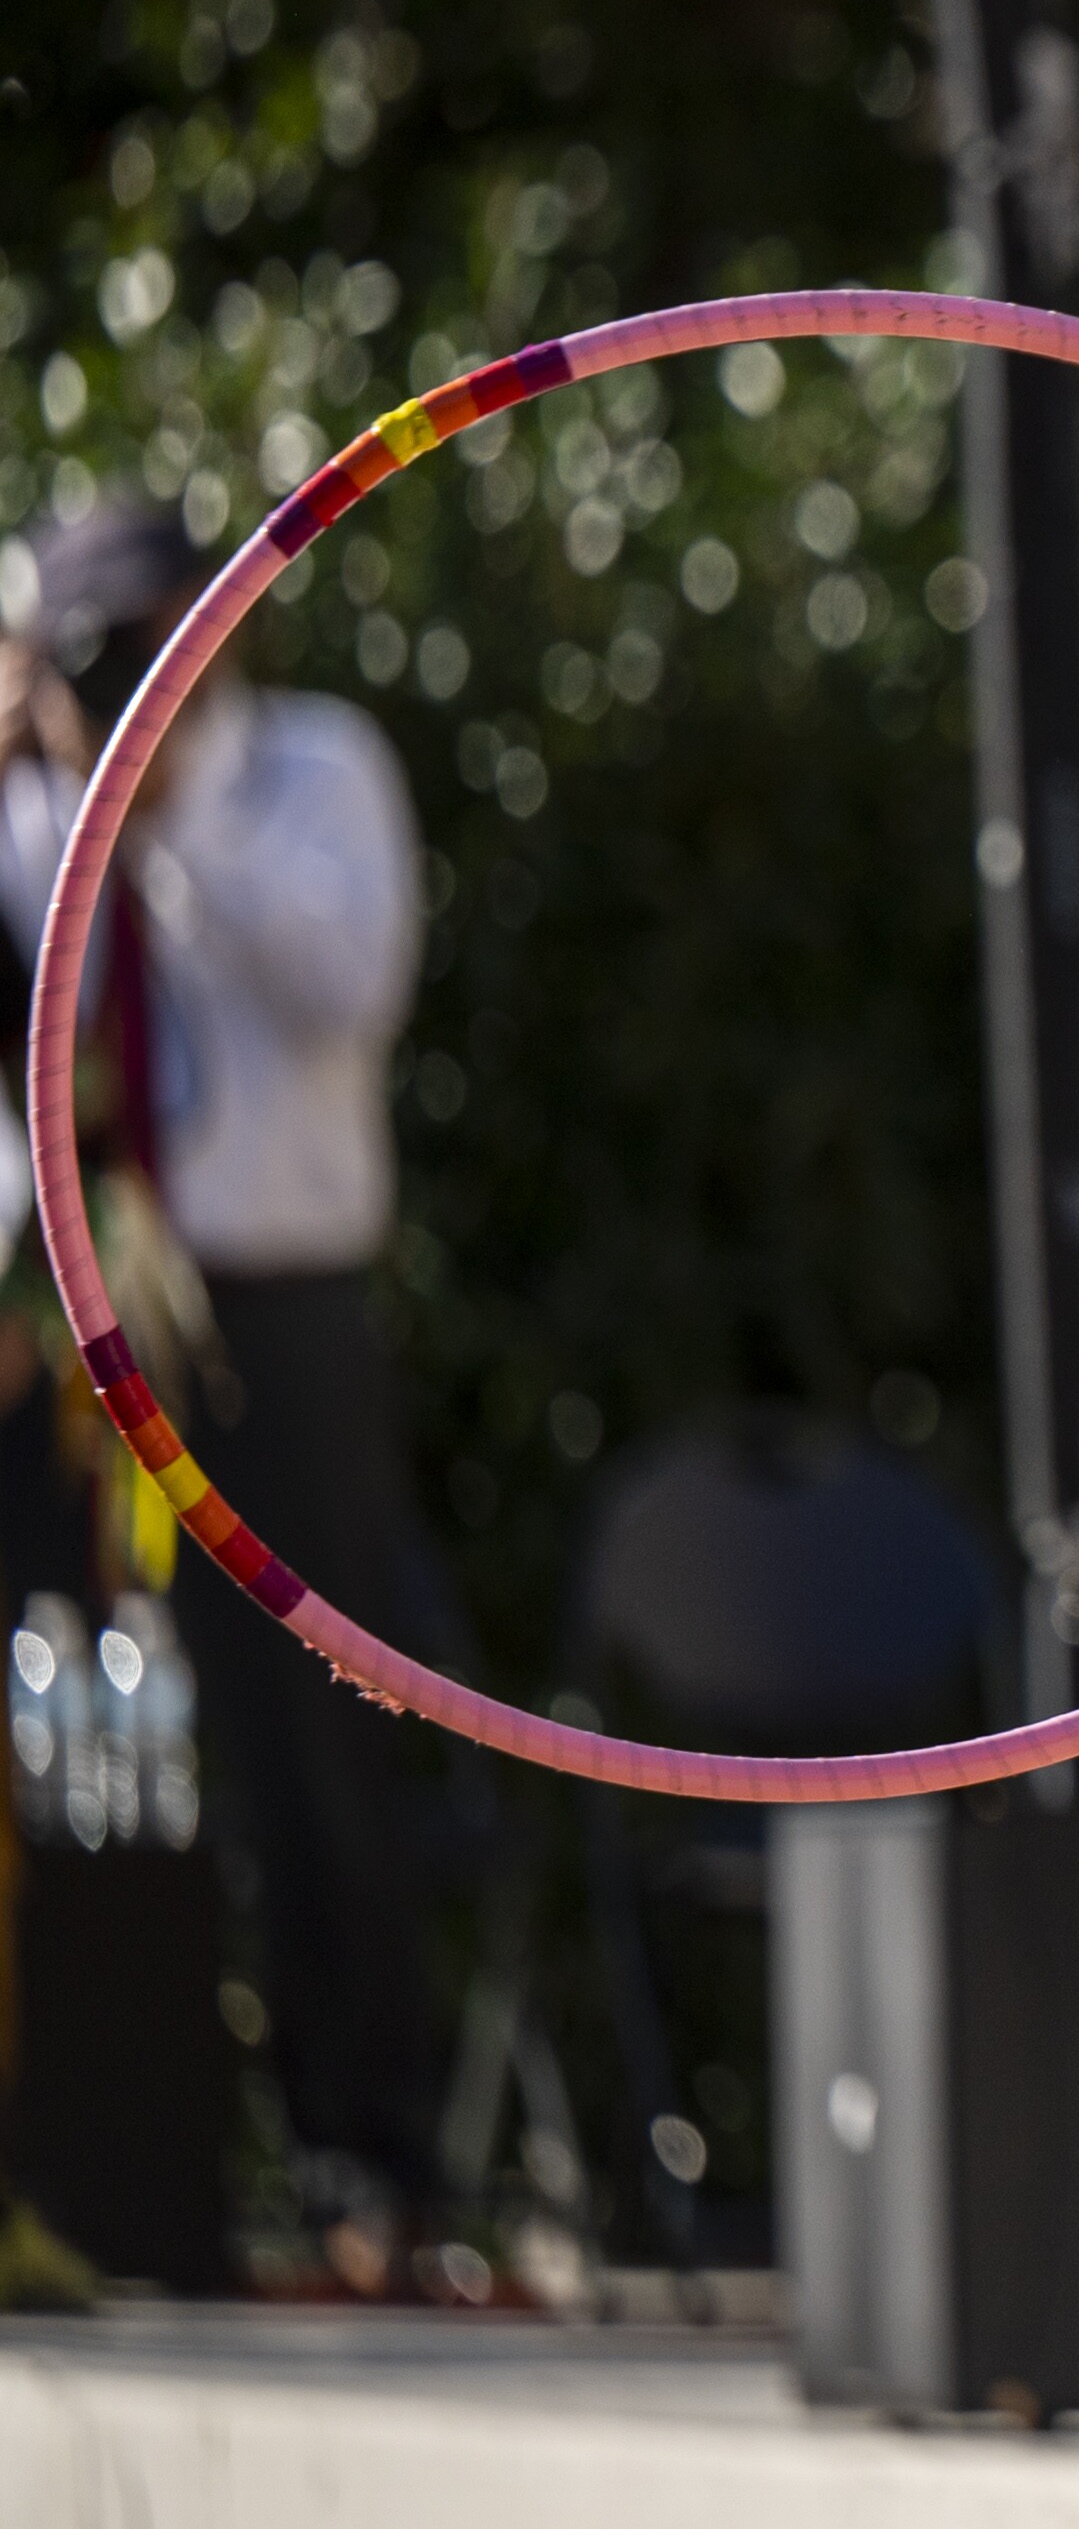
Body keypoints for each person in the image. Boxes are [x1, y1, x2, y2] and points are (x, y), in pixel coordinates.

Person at [0, 501, 445, 2282]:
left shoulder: (313, 770)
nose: (121, 685)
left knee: (311, 1740)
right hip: (61, 1319)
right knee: (59, 1736)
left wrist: (161, 819)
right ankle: (83, 2162)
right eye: (87, 651)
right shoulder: (26, 799)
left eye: (143, 643)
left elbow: (354, 981)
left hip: (275, 1316)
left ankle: (370, 2165)